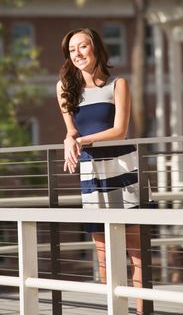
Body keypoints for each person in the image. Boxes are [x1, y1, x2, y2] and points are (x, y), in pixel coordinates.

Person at [56, 27, 143, 314]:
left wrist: (79, 140)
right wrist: (71, 139)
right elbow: (71, 131)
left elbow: (120, 131)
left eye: (82, 46)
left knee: (135, 252)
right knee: (104, 252)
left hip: (123, 167)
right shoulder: (65, 88)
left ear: (95, 49)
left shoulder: (118, 84)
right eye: (72, 50)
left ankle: (142, 311)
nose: (78, 53)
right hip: (91, 172)